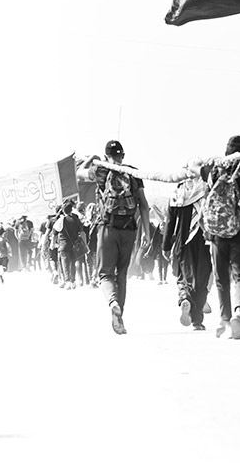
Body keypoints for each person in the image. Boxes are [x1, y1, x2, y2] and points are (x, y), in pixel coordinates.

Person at [78, 140, 152, 335]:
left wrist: (91, 159)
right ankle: (120, 317)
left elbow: (78, 174)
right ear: (123, 156)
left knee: (105, 274)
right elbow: (144, 205)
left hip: (108, 228)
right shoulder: (133, 173)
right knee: (122, 274)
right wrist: (147, 233)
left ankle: (113, 302)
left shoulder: (100, 171)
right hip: (129, 229)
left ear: (106, 155)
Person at [204, 136, 240, 340]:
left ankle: (224, 319)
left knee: (221, 278)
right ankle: (238, 312)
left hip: (216, 234)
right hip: (239, 232)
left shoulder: (213, 173)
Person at [165, 171, 213, 331]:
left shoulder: (177, 192)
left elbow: (170, 222)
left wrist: (165, 246)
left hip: (183, 242)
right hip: (205, 241)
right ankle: (197, 320)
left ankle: (185, 297)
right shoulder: (208, 190)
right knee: (202, 279)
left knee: (183, 276)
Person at [53, 199, 85, 290]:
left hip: (63, 245)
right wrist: (85, 243)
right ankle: (73, 281)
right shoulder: (76, 219)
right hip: (74, 245)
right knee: (73, 262)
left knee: (65, 263)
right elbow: (82, 232)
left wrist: (53, 243)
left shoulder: (60, 220)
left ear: (63, 211)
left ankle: (67, 281)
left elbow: (54, 233)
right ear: (71, 210)